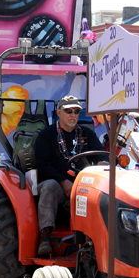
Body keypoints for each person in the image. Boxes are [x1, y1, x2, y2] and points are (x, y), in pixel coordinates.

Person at [33, 96, 106, 257]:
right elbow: (43, 166)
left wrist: (103, 162)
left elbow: (101, 155)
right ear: (59, 112)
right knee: (50, 186)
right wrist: (63, 181)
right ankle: (45, 237)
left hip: (83, 185)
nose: (73, 115)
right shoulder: (46, 135)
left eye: (76, 111)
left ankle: (100, 241)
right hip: (56, 185)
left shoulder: (87, 134)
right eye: (68, 111)